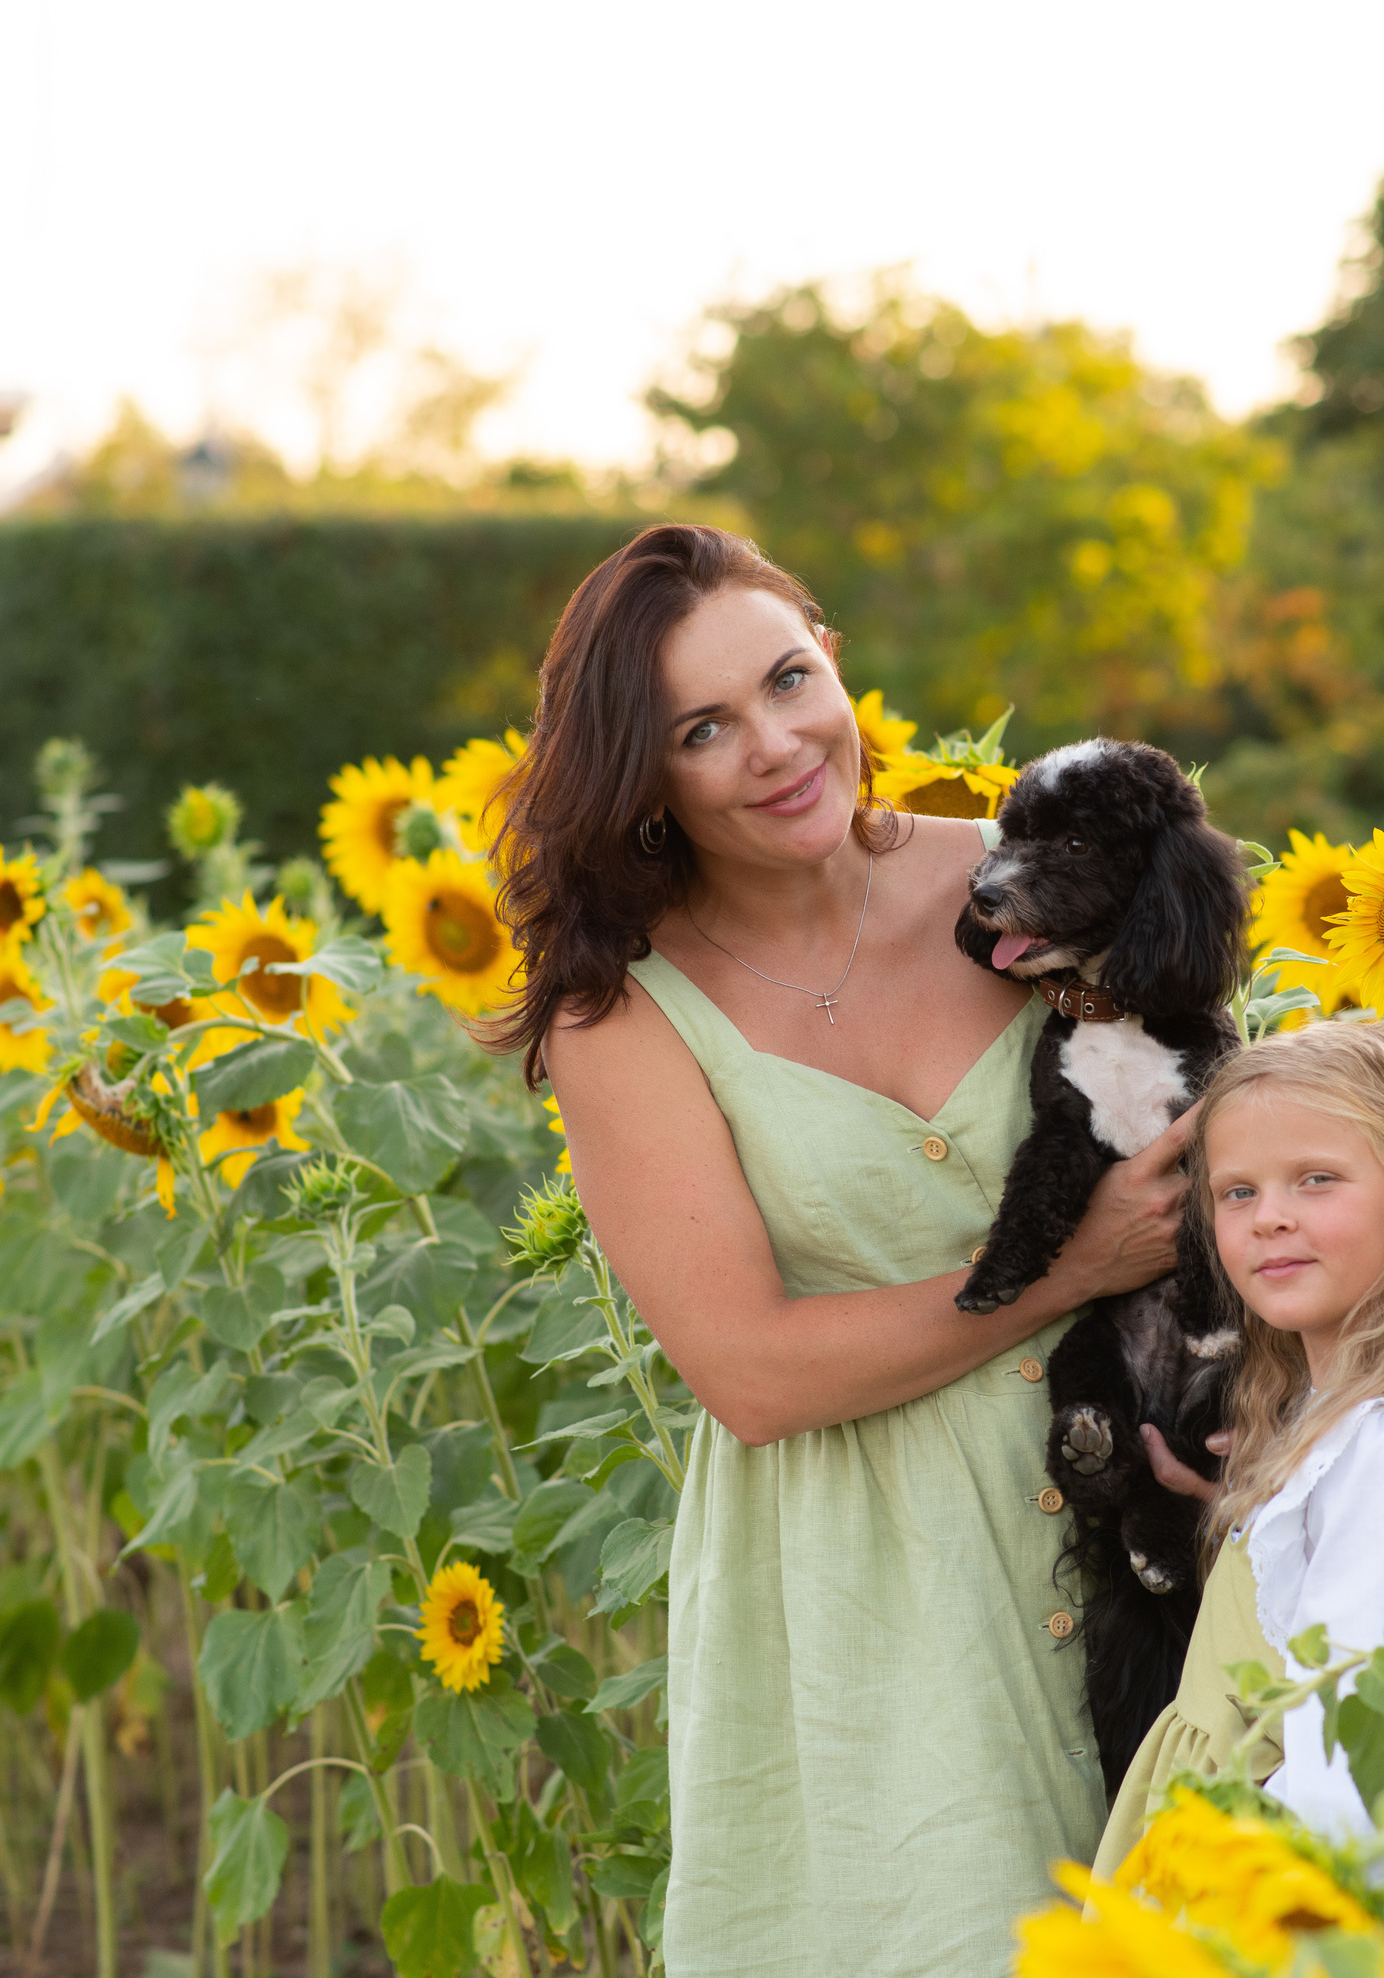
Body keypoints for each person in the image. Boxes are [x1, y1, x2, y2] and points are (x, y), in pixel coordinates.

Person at [492, 524, 1191, 1977]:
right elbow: (750, 1372)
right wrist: (1069, 1270)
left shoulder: (1026, 880)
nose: (774, 745)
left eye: (787, 680)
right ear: (643, 780)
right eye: (700, 729)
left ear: (831, 661)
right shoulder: (625, 1012)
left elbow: (1225, 1115)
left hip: (1151, 1518)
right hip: (881, 1586)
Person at [1097, 1020, 1384, 1975]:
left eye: (1316, 1180)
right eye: (1238, 1192)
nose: (1269, 1217)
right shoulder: (1337, 1419)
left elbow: (1353, 1771)